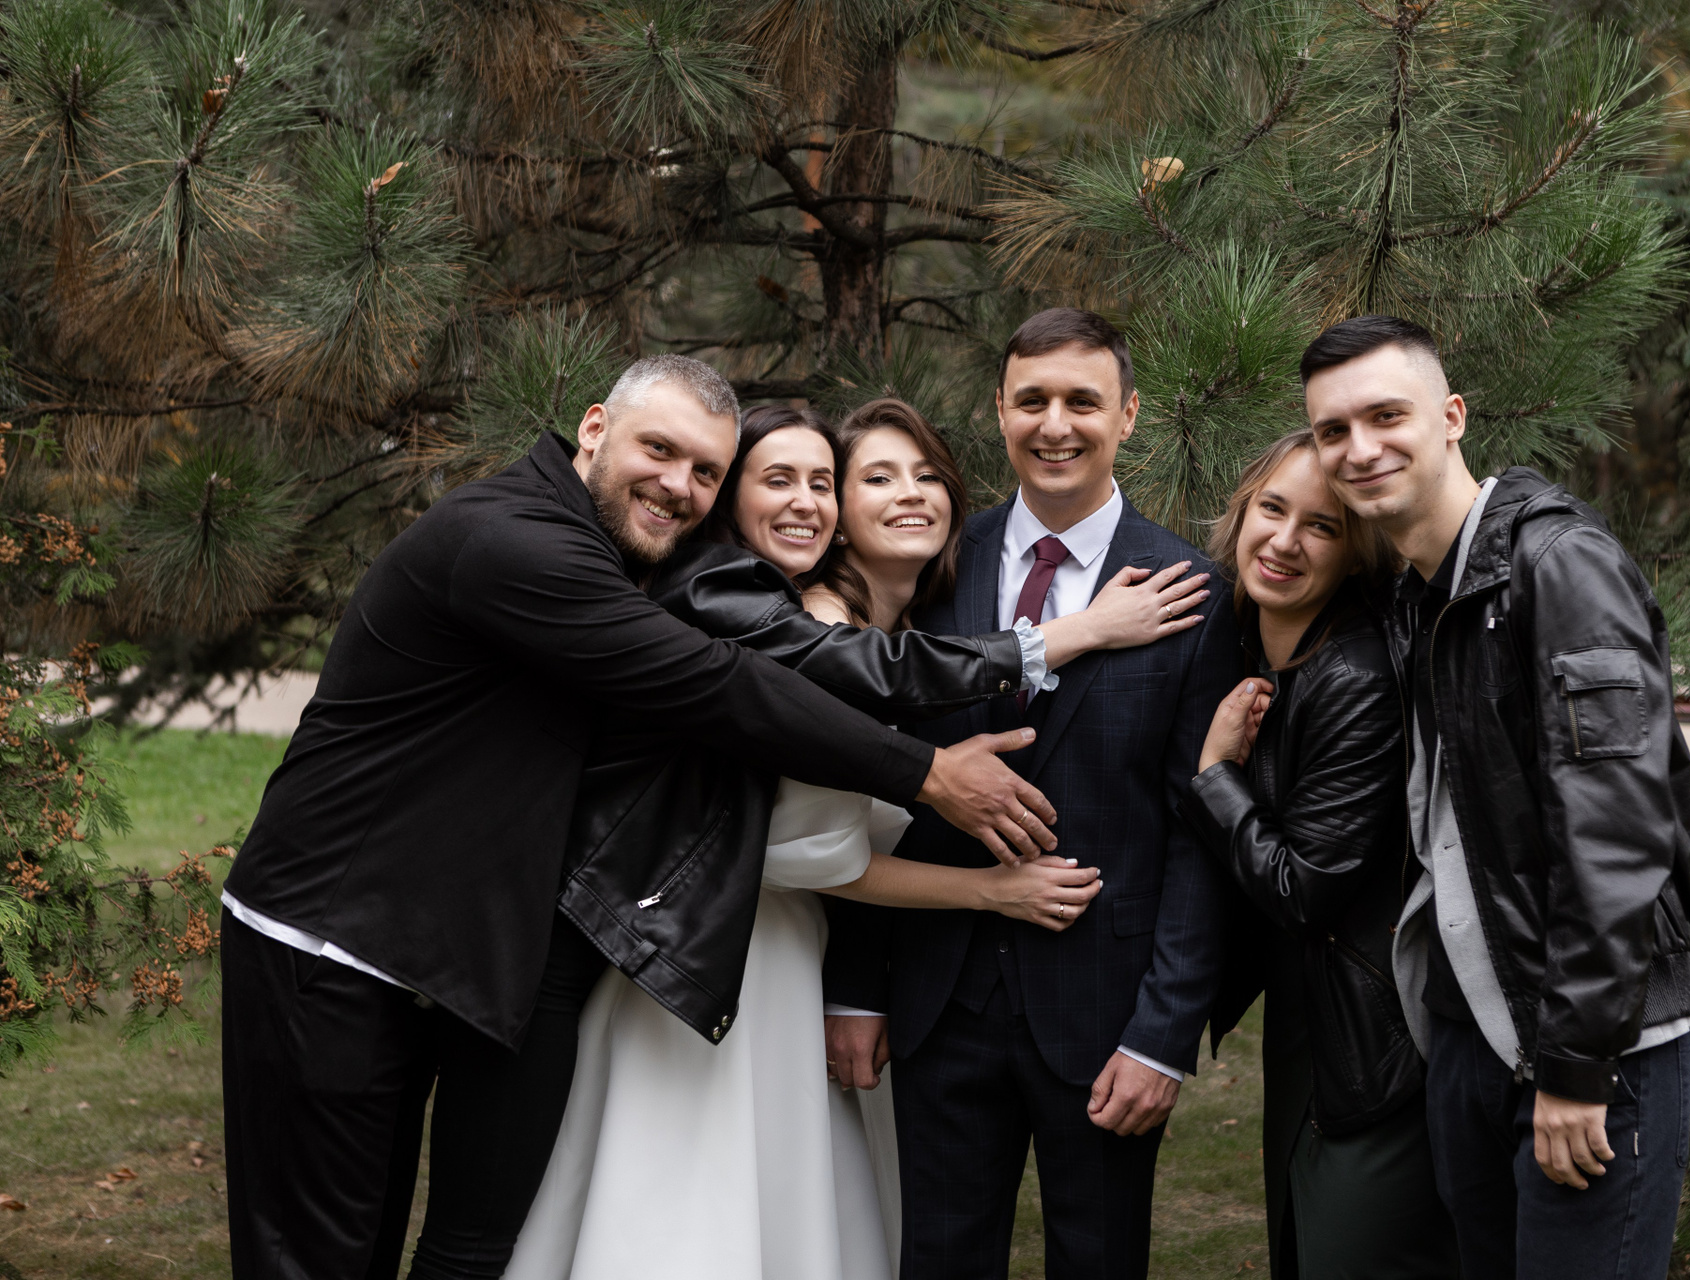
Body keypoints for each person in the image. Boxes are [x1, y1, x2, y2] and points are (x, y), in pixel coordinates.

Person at [218, 355, 1065, 1280]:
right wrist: (927, 771)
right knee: (319, 1253)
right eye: (658, 450)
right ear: (594, 429)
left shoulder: (621, 554)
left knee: (437, 1243)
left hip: (457, 951)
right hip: (331, 938)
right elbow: (717, 683)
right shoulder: (513, 540)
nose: (678, 485)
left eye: (705, 471)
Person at [503, 401, 1207, 1280]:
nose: (815, 500)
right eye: (868, 477)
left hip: (804, 968)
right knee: (701, 1221)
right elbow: (805, 851)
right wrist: (985, 872)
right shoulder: (788, 615)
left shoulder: (901, 618)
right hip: (726, 963)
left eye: (825, 482)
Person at [825, 309, 1242, 1280]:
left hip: (1105, 1010)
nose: (1056, 424)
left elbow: (1197, 833)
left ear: (1128, 414)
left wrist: (1162, 1037)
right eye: (1033, 400)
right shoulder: (931, 565)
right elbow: (864, 784)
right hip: (936, 997)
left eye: (1082, 401)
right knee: (935, 1258)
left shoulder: (1190, 591)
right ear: (1000, 409)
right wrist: (855, 988)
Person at [1304, 316, 1690, 1279]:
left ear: (1451, 417)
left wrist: (1576, 1066)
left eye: (1386, 416)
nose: (1360, 448)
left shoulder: (1558, 564)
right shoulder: (1418, 591)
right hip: (1474, 1042)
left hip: (1593, 1049)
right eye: (1333, 430)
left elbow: (1617, 833)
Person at [1180, 430, 1458, 1280]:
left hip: (1372, 1039)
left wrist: (1215, 777)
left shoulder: (1354, 676)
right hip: (1311, 1022)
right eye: (1273, 509)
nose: (1286, 541)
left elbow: (1305, 888)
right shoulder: (1248, 647)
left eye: (1323, 527)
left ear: (1355, 552)